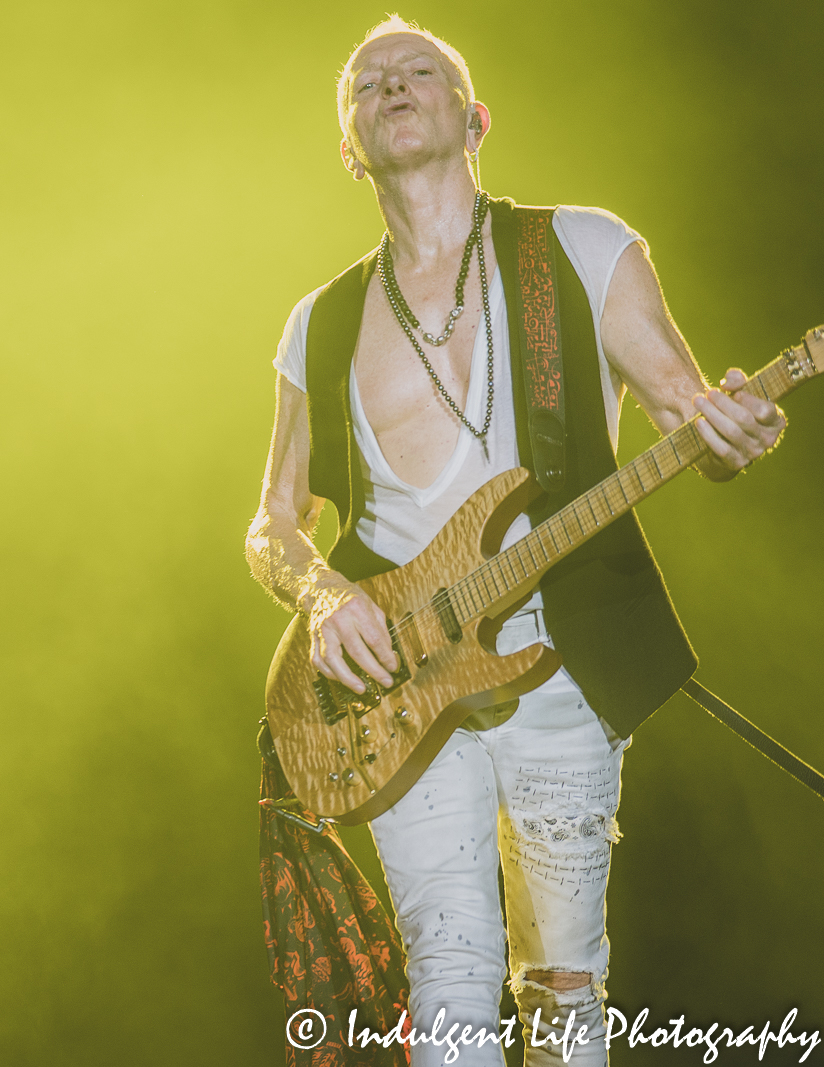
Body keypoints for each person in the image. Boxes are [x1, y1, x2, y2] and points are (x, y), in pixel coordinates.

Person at [244, 17, 784, 1066]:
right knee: (447, 969)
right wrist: (322, 598)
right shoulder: (317, 320)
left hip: (561, 664)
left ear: (473, 118)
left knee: (564, 982)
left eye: (421, 73)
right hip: (400, 679)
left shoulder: (580, 246)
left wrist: (731, 428)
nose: (391, 85)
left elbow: (688, 415)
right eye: (367, 83)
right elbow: (272, 523)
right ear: (349, 144)